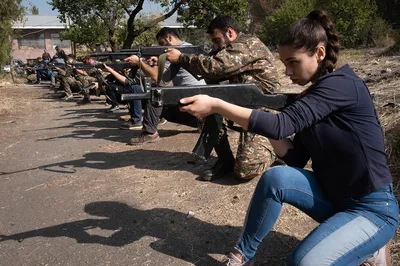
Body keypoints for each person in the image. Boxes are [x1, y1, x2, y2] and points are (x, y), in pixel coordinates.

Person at [177, 10, 399, 266]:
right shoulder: (311, 97)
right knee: (276, 177)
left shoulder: (343, 84)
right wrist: (262, 118)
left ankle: (370, 246)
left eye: (293, 62)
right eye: (284, 63)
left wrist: (217, 105)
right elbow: (294, 158)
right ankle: (242, 254)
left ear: (319, 53)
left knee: (303, 262)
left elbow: (282, 125)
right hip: (336, 199)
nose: (287, 71)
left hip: (372, 209)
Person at [166, 15, 280, 181]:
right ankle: (225, 160)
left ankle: (278, 147)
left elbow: (215, 66)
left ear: (230, 33)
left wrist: (182, 57)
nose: (215, 45)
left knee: (245, 170)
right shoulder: (231, 49)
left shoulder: (247, 45)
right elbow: (213, 77)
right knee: (209, 109)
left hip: (265, 111)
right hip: (244, 106)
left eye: (217, 40)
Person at [123, 27, 206, 144]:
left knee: (156, 93)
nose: (162, 48)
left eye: (162, 44)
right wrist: (158, 62)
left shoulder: (175, 50)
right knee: (160, 98)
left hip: (191, 92)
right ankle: (203, 121)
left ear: (169, 37)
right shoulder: (186, 46)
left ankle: (150, 133)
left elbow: (157, 77)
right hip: (196, 92)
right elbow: (165, 74)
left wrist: (139, 63)